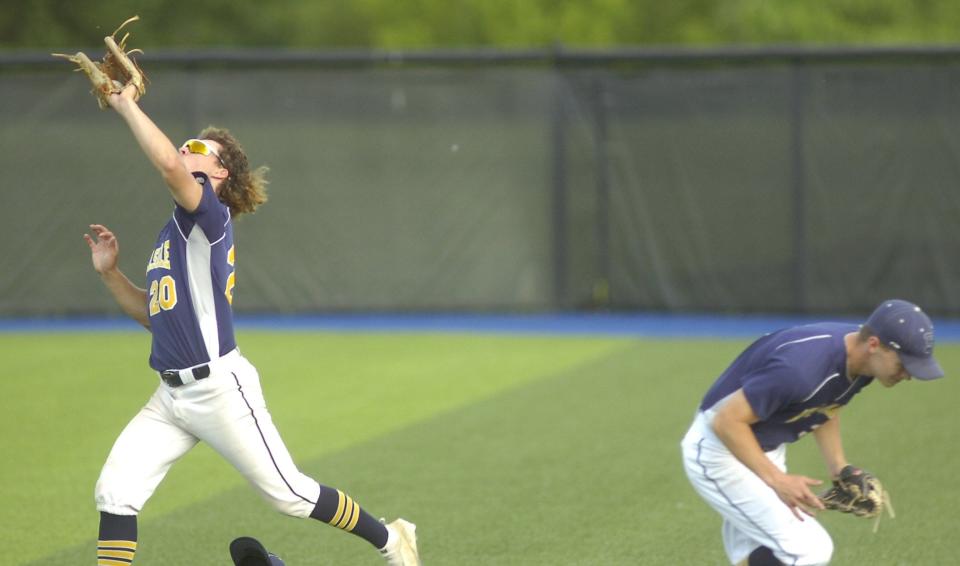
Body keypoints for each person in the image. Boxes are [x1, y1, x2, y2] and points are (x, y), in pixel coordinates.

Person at [84, 82, 420, 566]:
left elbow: (168, 166)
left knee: (291, 495)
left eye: (199, 148)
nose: (185, 148)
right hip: (170, 397)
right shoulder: (175, 231)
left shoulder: (210, 218)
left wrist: (126, 104)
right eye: (187, 142)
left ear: (218, 172)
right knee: (115, 492)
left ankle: (393, 541)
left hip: (220, 389)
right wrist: (111, 273)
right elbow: (153, 317)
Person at [680, 299, 944, 566]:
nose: (907, 375)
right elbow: (726, 421)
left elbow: (827, 403)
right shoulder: (799, 370)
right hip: (719, 450)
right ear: (874, 344)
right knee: (809, 549)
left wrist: (839, 467)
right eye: (904, 365)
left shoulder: (861, 360)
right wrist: (777, 481)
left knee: (764, 551)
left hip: (760, 446)